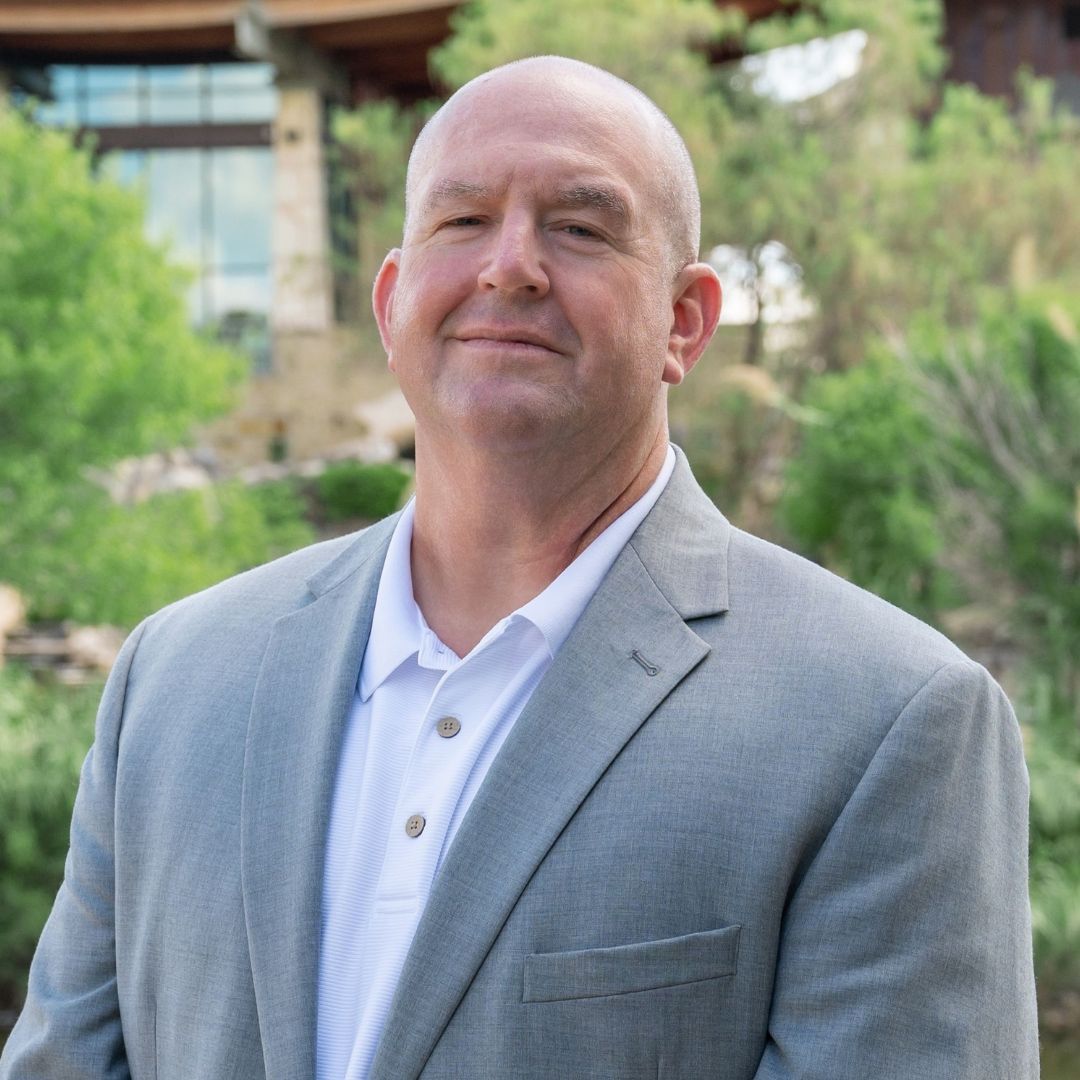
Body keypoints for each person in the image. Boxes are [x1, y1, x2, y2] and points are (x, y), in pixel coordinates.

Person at [1, 56, 1038, 1080]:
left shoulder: (886, 723)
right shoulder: (173, 680)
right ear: (392, 302)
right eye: (461, 221)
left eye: (581, 227)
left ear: (686, 321)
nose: (510, 266)